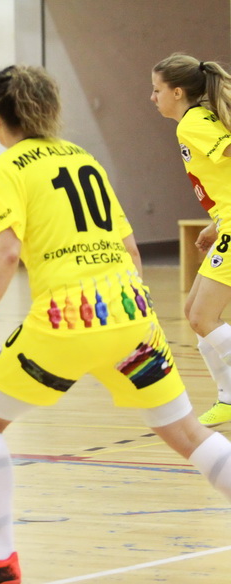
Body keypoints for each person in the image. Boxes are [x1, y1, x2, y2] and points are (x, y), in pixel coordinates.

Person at [0, 65, 231, 584]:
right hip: (133, 315)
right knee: (188, 434)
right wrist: (128, 312)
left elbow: (6, 254)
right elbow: (131, 250)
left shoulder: (8, 167)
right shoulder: (83, 157)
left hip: (66, 320)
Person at [151, 53, 231, 427]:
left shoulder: (193, 123)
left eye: (157, 90)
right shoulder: (195, 122)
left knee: (202, 316)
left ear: (178, 92)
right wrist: (216, 222)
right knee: (193, 314)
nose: (153, 97)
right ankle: (228, 398)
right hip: (226, 224)